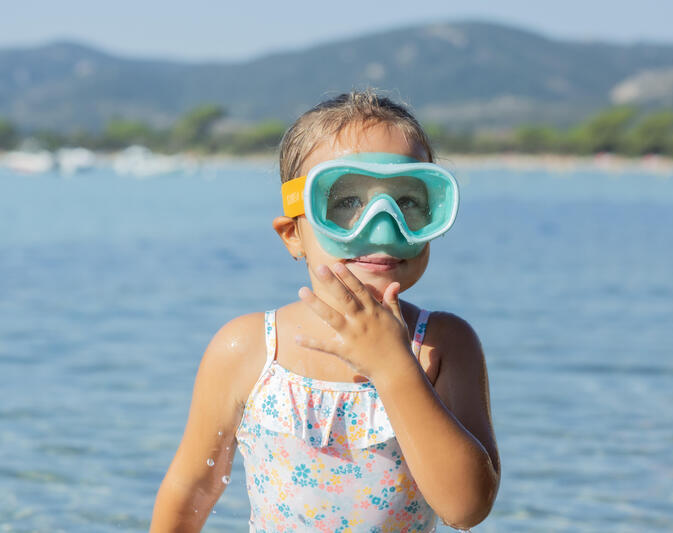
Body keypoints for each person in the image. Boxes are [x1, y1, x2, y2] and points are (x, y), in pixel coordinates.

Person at [150, 91, 500, 532]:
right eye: (346, 202)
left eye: (408, 202)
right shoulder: (247, 349)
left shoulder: (443, 345)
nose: (382, 224)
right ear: (293, 235)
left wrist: (393, 366)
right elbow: (192, 486)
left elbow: (466, 508)